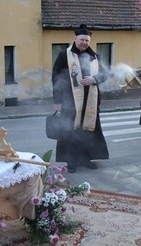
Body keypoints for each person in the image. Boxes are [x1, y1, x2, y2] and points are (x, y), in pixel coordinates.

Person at [51, 24, 109, 173]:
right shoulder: (64, 55)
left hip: (90, 102)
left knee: (88, 132)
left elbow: (105, 74)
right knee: (70, 132)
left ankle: (86, 159)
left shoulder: (95, 57)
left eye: (87, 40)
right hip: (69, 102)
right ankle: (71, 162)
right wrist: (57, 101)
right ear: (75, 39)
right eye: (82, 39)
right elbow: (56, 77)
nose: (84, 43)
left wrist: (94, 79)